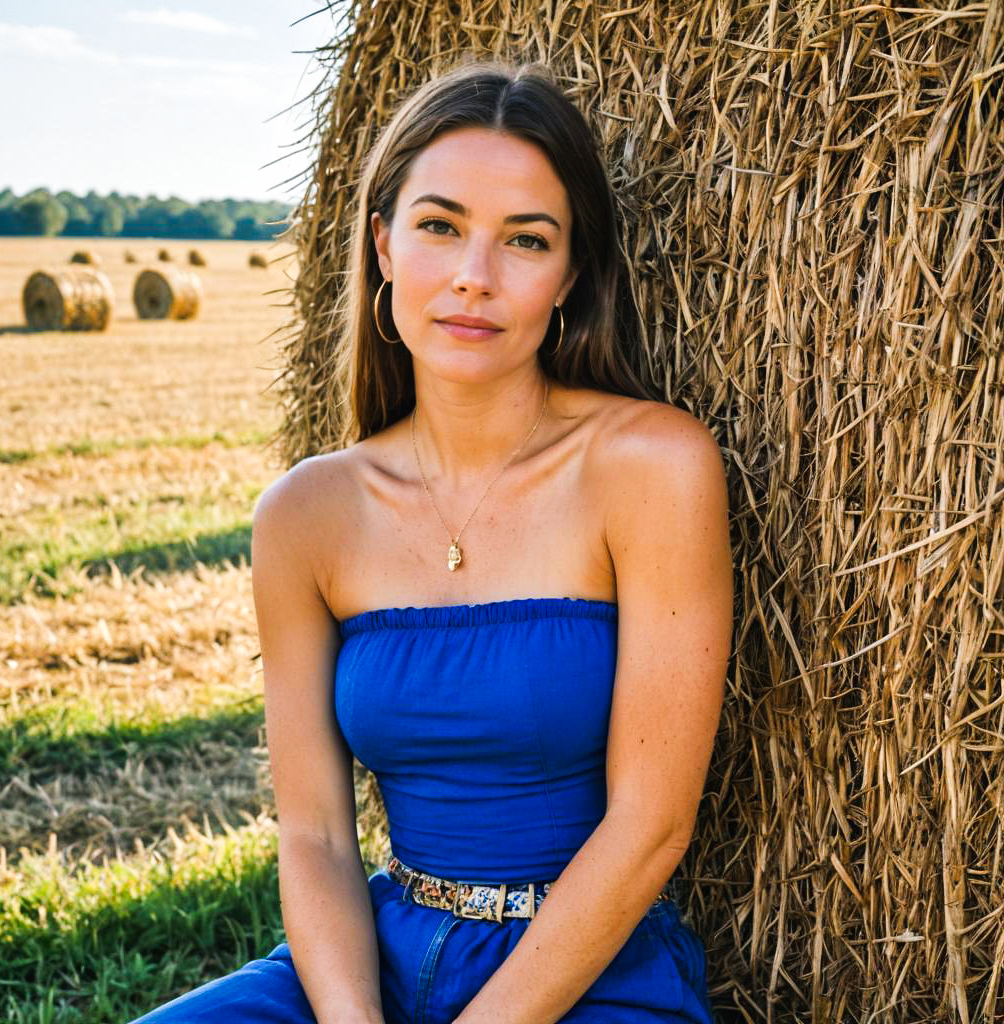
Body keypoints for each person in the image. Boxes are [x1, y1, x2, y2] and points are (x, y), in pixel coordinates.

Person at [129, 56, 733, 1024]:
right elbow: (317, 834)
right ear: (381, 243)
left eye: (525, 241)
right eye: (439, 225)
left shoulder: (649, 463)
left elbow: (650, 825)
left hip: (585, 969)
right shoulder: (306, 510)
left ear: (570, 273)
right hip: (369, 956)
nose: (472, 277)